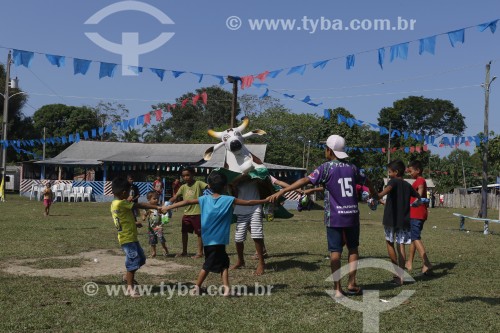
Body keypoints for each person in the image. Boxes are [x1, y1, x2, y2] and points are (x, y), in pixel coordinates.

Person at [269, 135, 377, 297]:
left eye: (325, 149)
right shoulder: (352, 168)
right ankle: (352, 283)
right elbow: (367, 181)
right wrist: (375, 193)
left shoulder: (326, 168)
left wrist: (284, 190)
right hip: (352, 216)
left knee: (335, 252)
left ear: (329, 150)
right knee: (353, 249)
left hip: (334, 217)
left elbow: (306, 180)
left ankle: (337, 289)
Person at [164, 171, 268, 296]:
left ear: (209, 185)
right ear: (225, 186)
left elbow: (186, 202)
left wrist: (168, 207)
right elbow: (249, 202)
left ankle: (226, 288)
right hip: (217, 240)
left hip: (208, 239)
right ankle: (196, 287)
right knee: (208, 265)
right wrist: (265, 200)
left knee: (224, 262)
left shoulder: (204, 199)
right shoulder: (229, 199)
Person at [110, 177, 165, 297]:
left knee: (141, 259)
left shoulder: (114, 204)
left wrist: (135, 223)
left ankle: (126, 276)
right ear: (124, 192)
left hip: (131, 237)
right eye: (129, 191)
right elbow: (138, 205)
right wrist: (156, 207)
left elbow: (121, 219)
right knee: (133, 261)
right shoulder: (121, 203)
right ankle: (130, 288)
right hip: (127, 238)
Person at [375, 160, 421, 285]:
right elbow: (418, 197)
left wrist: (377, 195)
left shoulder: (392, 182)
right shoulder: (407, 185)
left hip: (391, 219)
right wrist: (414, 204)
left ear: (395, 172)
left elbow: (386, 191)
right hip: (404, 220)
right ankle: (401, 276)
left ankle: (396, 274)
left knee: (390, 243)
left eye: (390, 172)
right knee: (401, 245)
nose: (389, 174)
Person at [167, 167, 207, 258]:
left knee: (199, 234)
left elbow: (209, 187)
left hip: (198, 213)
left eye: (188, 175)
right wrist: (167, 203)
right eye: (183, 176)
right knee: (184, 232)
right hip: (186, 213)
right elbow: (175, 197)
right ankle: (184, 252)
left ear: (193, 175)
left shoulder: (199, 183)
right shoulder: (183, 187)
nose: (185, 177)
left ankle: (200, 253)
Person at [406, 160, 433, 274]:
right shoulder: (417, 180)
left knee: (415, 237)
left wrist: (417, 198)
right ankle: (409, 262)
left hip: (416, 213)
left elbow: (420, 190)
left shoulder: (420, 180)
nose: (410, 173)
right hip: (418, 213)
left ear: (417, 170)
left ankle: (426, 263)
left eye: (411, 171)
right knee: (414, 238)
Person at [143, 191, 169, 258]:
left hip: (158, 227)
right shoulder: (148, 207)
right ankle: (153, 252)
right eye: (154, 198)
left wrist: (164, 211)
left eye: (157, 198)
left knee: (161, 239)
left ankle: (165, 248)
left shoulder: (159, 207)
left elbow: (164, 212)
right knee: (152, 240)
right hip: (151, 228)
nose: (156, 200)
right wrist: (144, 217)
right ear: (149, 199)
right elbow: (145, 214)